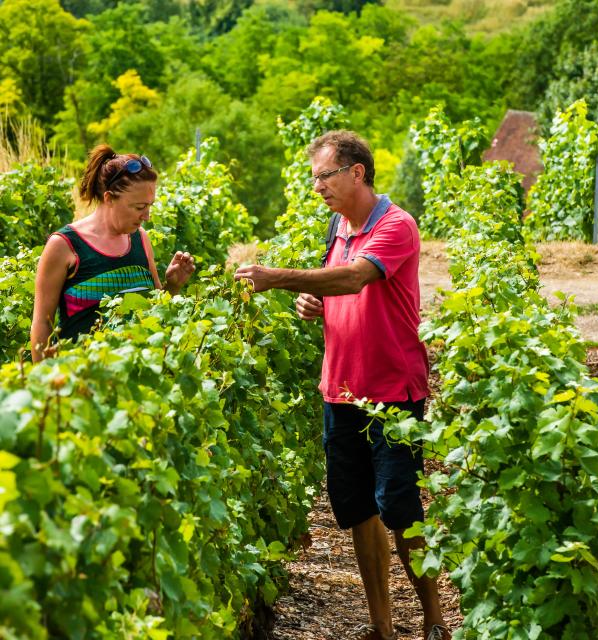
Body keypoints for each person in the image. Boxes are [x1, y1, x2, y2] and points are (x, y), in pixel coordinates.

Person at [234, 131, 450, 640]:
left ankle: (435, 620)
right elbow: (339, 291)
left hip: (392, 391)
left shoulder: (396, 225)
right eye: (314, 179)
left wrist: (278, 277)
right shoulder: (338, 226)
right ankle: (382, 627)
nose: (318, 188)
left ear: (357, 172)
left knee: (401, 509)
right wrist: (314, 303)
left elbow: (355, 279)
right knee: (358, 511)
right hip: (341, 390)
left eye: (325, 176)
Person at [31, 144, 195, 362]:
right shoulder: (64, 246)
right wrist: (42, 387)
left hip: (137, 380)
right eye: (139, 207)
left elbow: (156, 313)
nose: (146, 216)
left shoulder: (140, 240)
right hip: (82, 382)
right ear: (109, 198)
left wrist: (173, 286)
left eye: (150, 206)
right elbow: (42, 324)